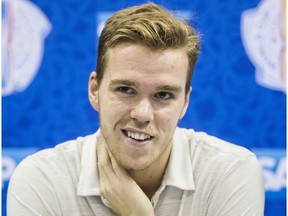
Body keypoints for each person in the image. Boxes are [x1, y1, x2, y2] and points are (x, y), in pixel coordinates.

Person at [7, 2, 265, 216]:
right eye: (126, 90)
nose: (142, 114)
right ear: (95, 90)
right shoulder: (42, 181)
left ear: (185, 102)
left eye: (163, 95)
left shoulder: (231, 173)